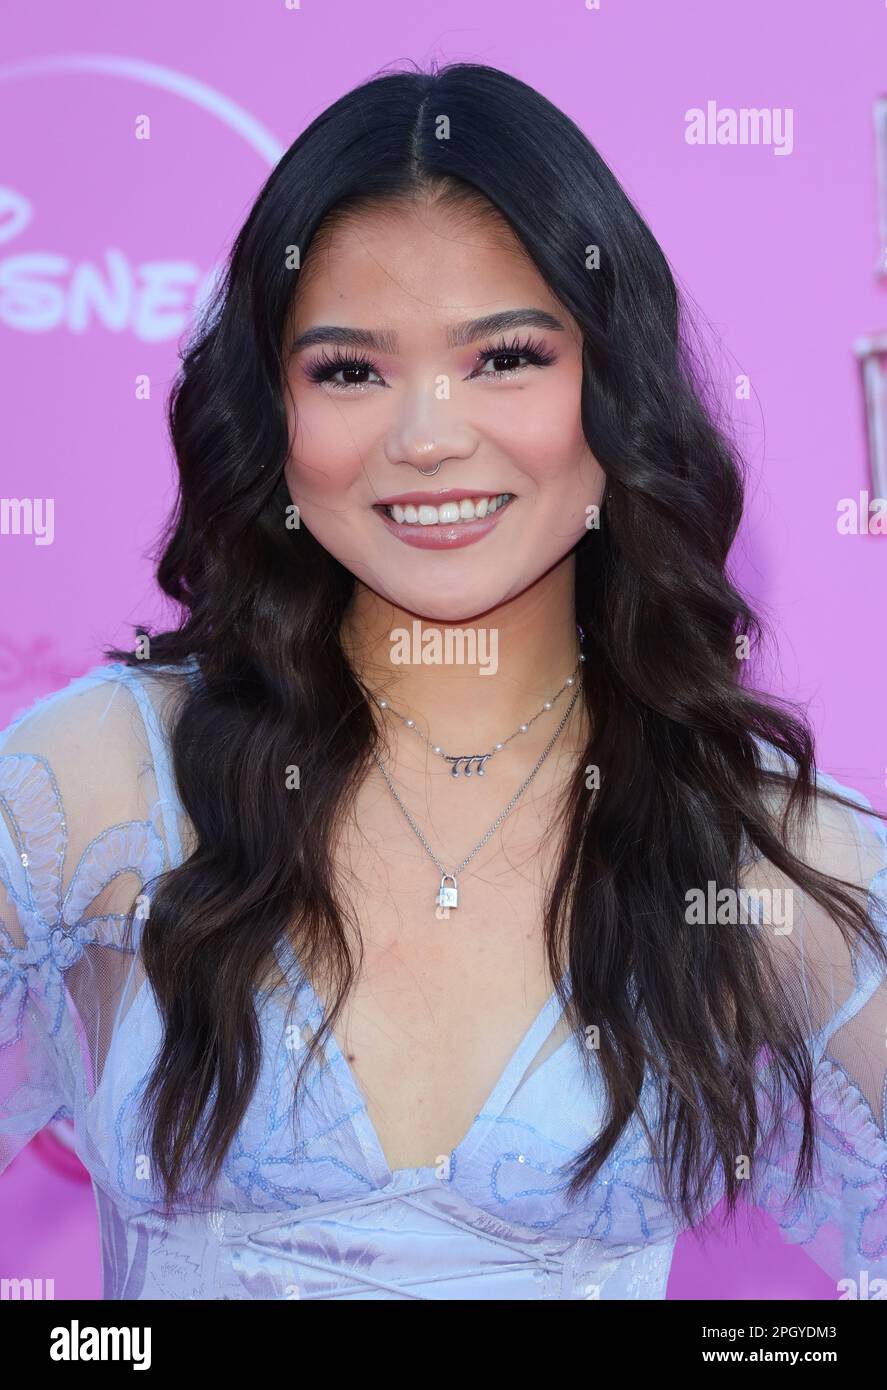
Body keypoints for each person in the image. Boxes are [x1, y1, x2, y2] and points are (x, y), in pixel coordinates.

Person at [1, 60, 885, 1301]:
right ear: (274, 418)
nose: (425, 434)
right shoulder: (95, 786)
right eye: (349, 370)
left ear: (613, 392)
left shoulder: (747, 854)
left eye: (504, 358)